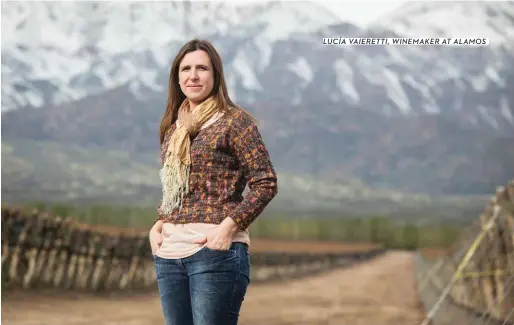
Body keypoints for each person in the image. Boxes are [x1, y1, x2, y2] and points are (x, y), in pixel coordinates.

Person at [148, 39, 278, 325]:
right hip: (169, 254)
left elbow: (265, 182)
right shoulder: (173, 127)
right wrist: (159, 224)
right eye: (186, 69)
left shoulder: (235, 122)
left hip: (215, 254)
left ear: (215, 75)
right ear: (177, 76)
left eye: (202, 68)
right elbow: (176, 190)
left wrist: (227, 229)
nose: (193, 76)